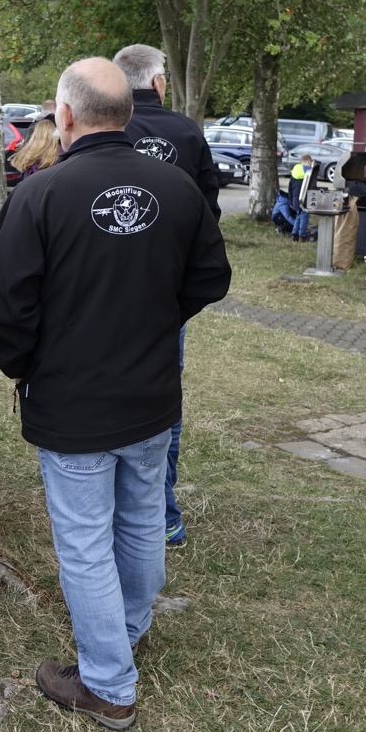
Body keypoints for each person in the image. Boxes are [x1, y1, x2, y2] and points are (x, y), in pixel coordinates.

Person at [0, 57, 231, 730]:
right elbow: (209, 276)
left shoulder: (39, 193)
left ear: (64, 115)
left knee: (87, 541)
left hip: (75, 402)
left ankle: (109, 683)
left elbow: (3, 296)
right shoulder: (177, 187)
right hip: (150, 395)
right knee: (141, 517)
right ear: (128, 111)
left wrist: (24, 364)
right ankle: (127, 631)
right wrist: (155, 319)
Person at [113, 43, 220, 549]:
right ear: (158, 83)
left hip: (100, 289)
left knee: (104, 391)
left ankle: (118, 504)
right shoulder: (187, 132)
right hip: (166, 294)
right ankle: (162, 512)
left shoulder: (102, 128)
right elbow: (208, 217)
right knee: (162, 396)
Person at [289, 154, 314, 241]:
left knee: (298, 216)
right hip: (304, 198)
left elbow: (290, 187)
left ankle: (294, 234)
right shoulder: (309, 171)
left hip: (295, 199)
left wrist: (291, 201)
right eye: (310, 163)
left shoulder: (294, 170)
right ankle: (302, 235)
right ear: (309, 162)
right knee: (304, 216)